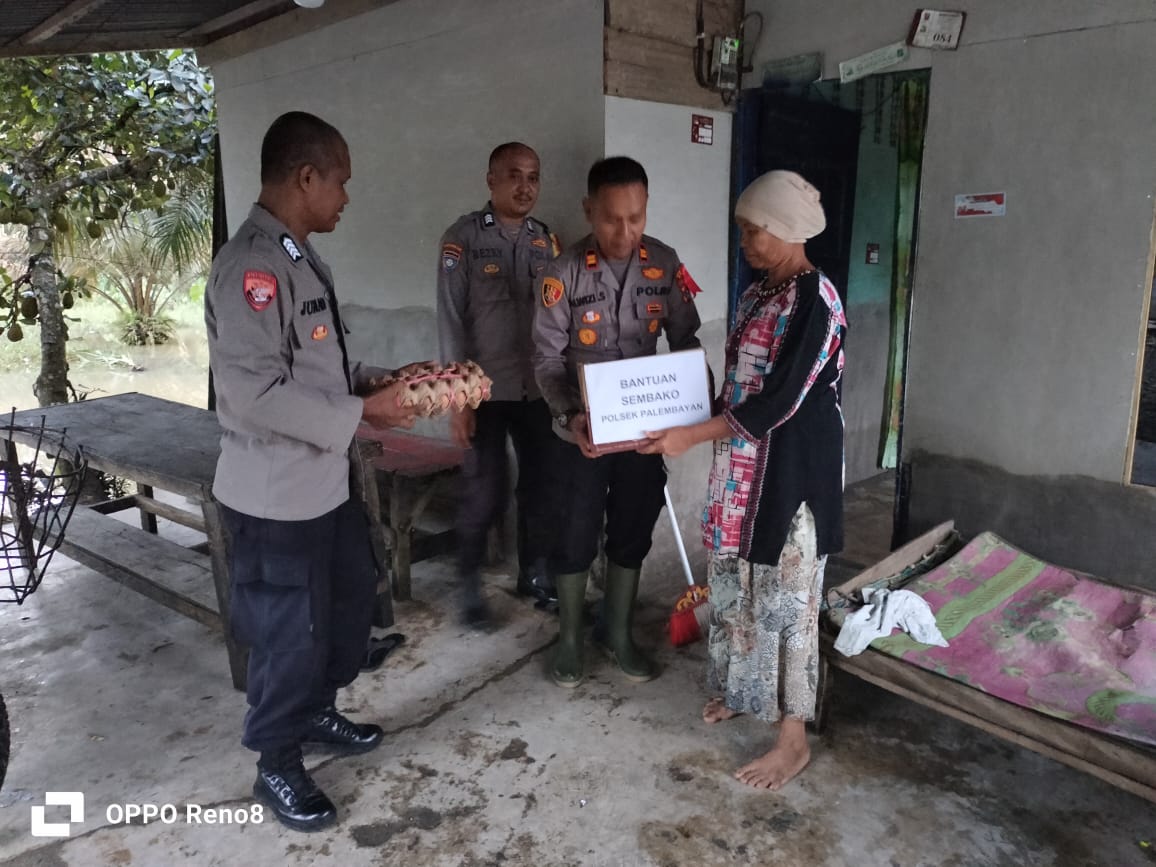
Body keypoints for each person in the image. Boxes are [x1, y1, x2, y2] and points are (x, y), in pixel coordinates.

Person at [205, 111, 418, 832]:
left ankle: (320, 711)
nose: (346, 198)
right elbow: (252, 392)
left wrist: (374, 379)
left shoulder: (297, 256)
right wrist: (364, 414)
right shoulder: (251, 268)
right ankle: (276, 759)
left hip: (325, 486)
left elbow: (318, 365)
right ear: (306, 177)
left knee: (345, 607)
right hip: (273, 498)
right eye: (341, 182)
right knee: (285, 631)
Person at [639, 170, 847, 791]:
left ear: (784, 230)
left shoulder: (816, 300)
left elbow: (780, 400)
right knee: (734, 584)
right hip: (743, 471)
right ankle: (740, 690)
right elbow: (738, 384)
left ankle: (792, 740)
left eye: (752, 231)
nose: (745, 243)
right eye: (743, 231)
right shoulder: (762, 292)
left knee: (787, 602)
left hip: (790, 475)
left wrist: (692, 435)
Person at [533, 156, 704, 688]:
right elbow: (545, 362)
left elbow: (685, 339)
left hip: (644, 434)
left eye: (636, 217)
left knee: (632, 529)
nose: (625, 231)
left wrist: (696, 404)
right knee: (574, 532)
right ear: (589, 210)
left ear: (646, 210)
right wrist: (569, 418)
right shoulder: (560, 275)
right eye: (611, 219)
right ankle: (568, 640)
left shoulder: (666, 264)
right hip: (580, 435)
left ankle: (618, 631)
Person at [437, 142, 562, 625]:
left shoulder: (545, 242)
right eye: (513, 175)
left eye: (533, 176)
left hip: (536, 389)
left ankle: (535, 574)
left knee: (541, 488)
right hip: (482, 391)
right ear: (491, 180)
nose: (525, 185)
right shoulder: (462, 239)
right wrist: (457, 398)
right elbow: (450, 321)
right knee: (483, 490)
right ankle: (468, 581)